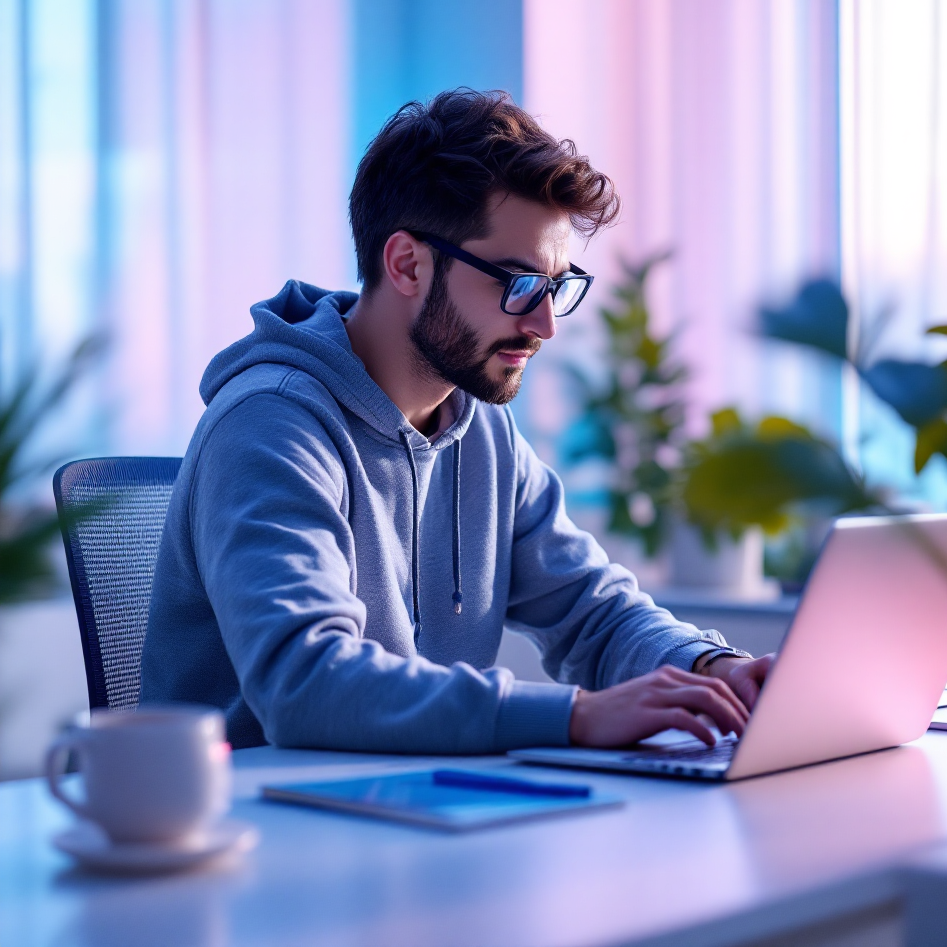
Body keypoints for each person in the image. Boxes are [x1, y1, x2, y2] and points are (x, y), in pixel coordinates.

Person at [140, 88, 772, 753]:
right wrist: (576, 716)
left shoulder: (480, 427)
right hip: (266, 828)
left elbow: (592, 613)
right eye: (519, 284)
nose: (544, 324)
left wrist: (717, 672)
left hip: (412, 809)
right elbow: (305, 683)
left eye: (557, 286)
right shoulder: (271, 425)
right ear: (407, 264)